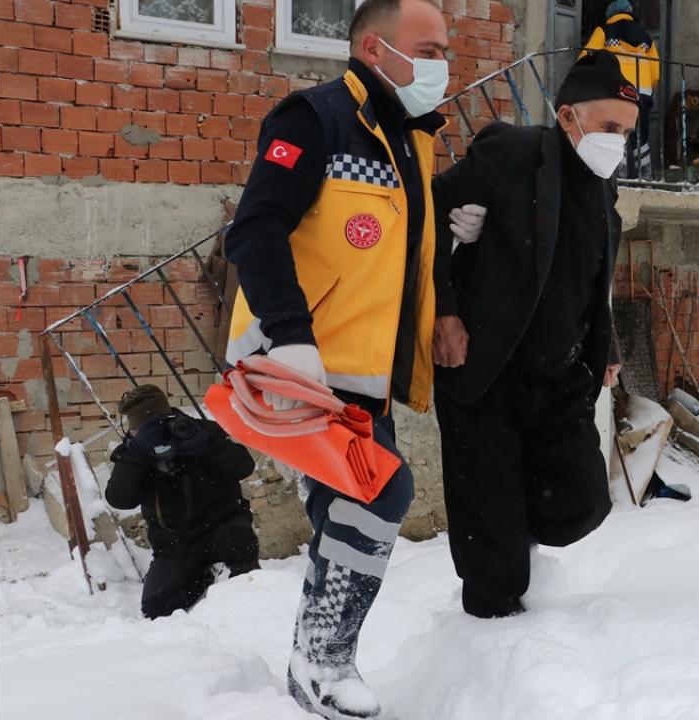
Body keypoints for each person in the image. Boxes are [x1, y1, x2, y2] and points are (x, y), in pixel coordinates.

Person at [223, 0, 480, 716]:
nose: (442, 65)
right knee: (381, 492)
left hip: (359, 375)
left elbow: (409, 256)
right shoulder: (317, 119)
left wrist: (446, 307)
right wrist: (291, 336)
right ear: (375, 48)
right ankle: (322, 663)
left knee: (360, 502)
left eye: (444, 51)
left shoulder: (411, 141)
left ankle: (319, 661)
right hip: (296, 362)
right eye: (427, 49)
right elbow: (254, 232)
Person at [429, 51, 637, 620]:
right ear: (568, 116)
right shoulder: (512, 151)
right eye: (609, 127)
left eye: (626, 132)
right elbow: (425, 212)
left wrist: (608, 347)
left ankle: (515, 532)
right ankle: (494, 637)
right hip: (486, 369)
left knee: (583, 502)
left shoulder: (603, 185)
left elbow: (589, 276)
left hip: (560, 374)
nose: (617, 142)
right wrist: (444, 309)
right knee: (491, 543)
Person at [105, 385, 259, 619]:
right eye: (140, 429)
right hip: (175, 544)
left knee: (240, 548)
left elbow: (244, 466)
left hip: (223, 525)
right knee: (156, 607)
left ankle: (251, 599)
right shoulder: (134, 451)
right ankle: (201, 578)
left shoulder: (196, 430)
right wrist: (136, 454)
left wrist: (206, 445)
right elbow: (120, 500)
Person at [584, 0, 659, 179]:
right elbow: (655, 72)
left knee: (617, 133)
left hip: (617, 91)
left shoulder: (604, 31)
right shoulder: (646, 38)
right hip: (643, 93)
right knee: (640, 137)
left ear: (610, 15)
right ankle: (646, 176)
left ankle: (619, 177)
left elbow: (587, 57)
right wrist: (647, 89)